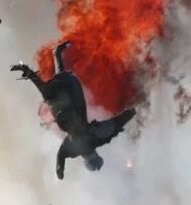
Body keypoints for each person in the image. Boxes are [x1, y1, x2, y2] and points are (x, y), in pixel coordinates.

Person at [11, 40, 137, 180]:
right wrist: (130, 113)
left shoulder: (86, 142)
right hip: (70, 103)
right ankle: (42, 62)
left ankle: (49, 57)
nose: (88, 151)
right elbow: (114, 124)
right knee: (55, 85)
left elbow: (62, 155)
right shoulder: (93, 139)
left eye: (90, 157)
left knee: (53, 86)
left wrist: (60, 168)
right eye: (92, 155)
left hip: (64, 107)